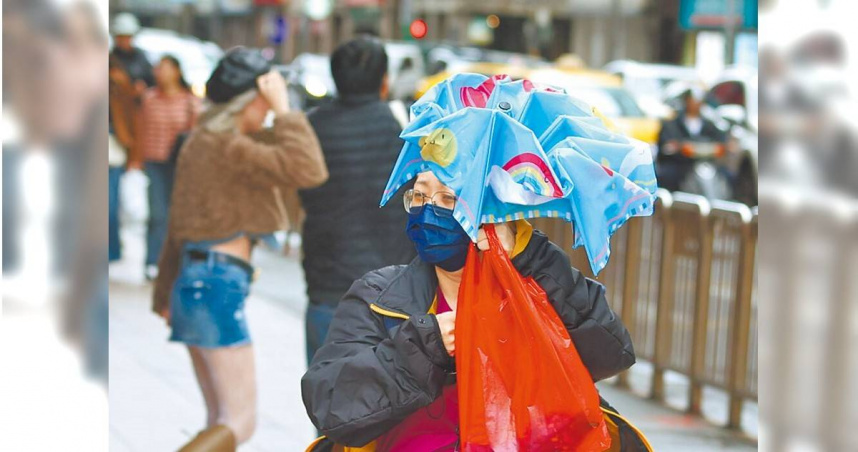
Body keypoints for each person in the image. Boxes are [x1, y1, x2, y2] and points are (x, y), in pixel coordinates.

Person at [301, 170, 635, 449]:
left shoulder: (537, 286)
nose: (428, 210)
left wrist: (531, 256)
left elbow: (611, 354)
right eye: (419, 196)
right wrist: (423, 346)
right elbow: (330, 404)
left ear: (493, 213)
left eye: (449, 199)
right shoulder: (379, 296)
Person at [152, 48, 328, 451]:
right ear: (249, 99)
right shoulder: (230, 147)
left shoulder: (205, 141)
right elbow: (310, 168)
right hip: (217, 283)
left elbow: (177, 222)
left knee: (219, 420)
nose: (268, 109)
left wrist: (164, 290)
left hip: (196, 282)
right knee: (240, 421)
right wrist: (285, 110)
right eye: (265, 99)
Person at [299, 37, 416, 366]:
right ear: (384, 81)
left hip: (327, 287)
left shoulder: (311, 127)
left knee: (328, 389)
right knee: (391, 393)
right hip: (394, 292)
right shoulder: (405, 127)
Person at [137, 55, 201, 279]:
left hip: (180, 165)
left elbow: (196, 133)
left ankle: (175, 262)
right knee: (157, 213)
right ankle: (153, 261)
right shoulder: (149, 98)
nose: (160, 72)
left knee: (178, 214)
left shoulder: (190, 101)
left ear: (177, 71)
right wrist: (136, 159)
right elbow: (141, 128)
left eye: (165, 68)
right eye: (158, 68)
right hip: (154, 161)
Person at [656, 86, 727, 192]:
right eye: (692, 100)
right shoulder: (671, 125)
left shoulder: (710, 125)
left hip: (706, 165)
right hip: (680, 165)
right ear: (686, 101)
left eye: (698, 101)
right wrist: (680, 148)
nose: (695, 104)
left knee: (727, 175)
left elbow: (720, 142)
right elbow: (665, 147)